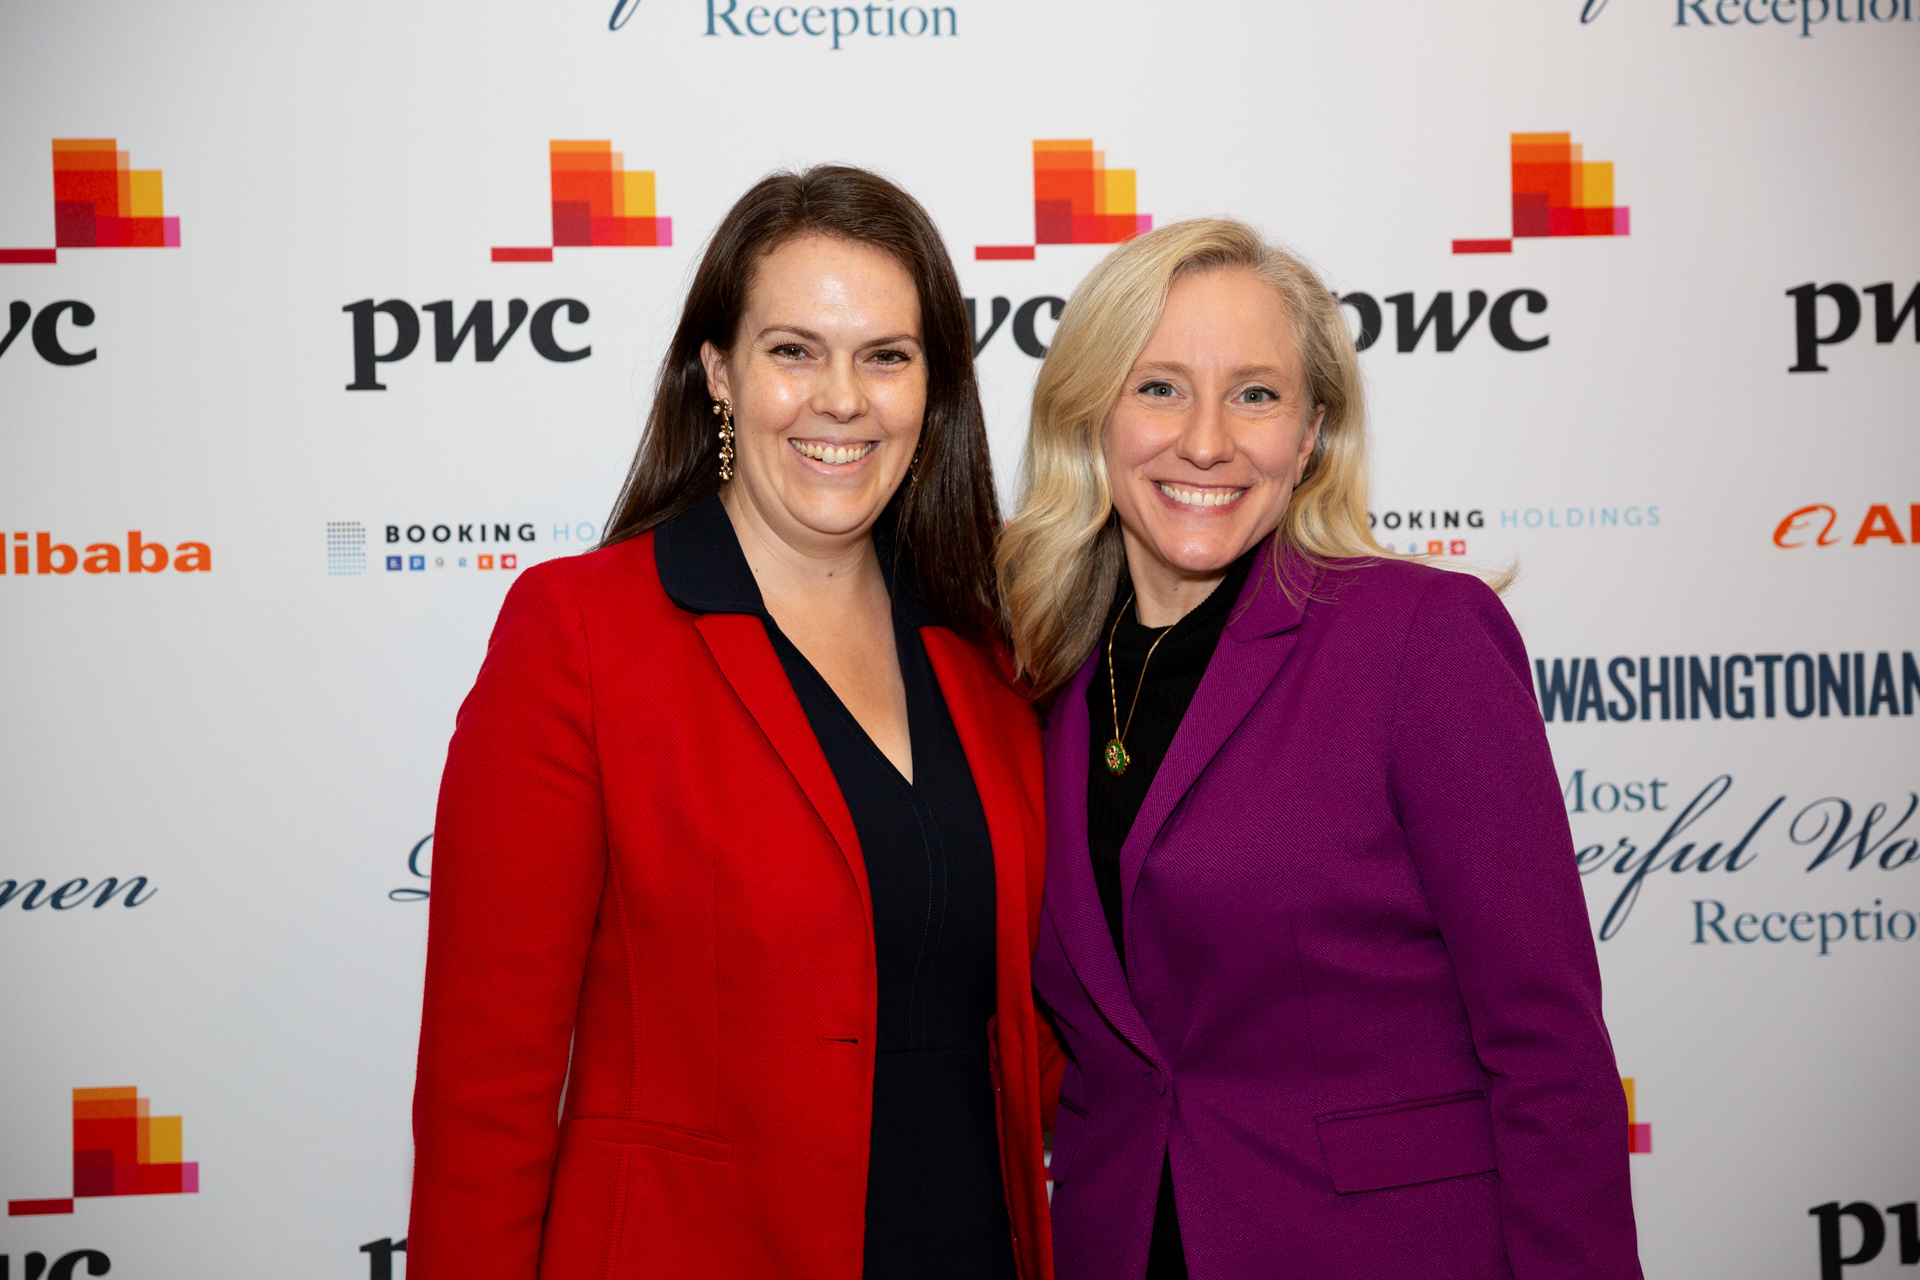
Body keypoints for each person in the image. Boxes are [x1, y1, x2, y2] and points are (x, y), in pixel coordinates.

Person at [407, 166, 1056, 1280]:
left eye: (886, 356)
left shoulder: (987, 644)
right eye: (793, 349)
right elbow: (485, 1090)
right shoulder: (581, 633)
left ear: (932, 387)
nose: (841, 398)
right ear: (718, 370)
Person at [997, 218, 1641, 1280]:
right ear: (1089, 416)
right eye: (1158, 387)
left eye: (1256, 394)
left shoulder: (1416, 638)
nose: (1207, 440)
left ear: (1310, 436)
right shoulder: (1040, 677)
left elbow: (1547, 1045)